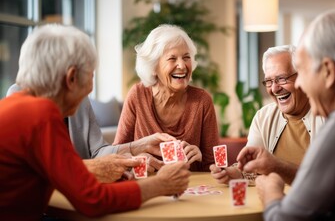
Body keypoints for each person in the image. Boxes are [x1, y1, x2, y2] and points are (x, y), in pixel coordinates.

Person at [0, 24, 190, 220]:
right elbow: (93, 200)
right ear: (72, 78)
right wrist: (161, 184)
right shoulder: (39, 113)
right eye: (91, 75)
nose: (90, 89)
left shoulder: (16, 105)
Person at [238, 9, 335, 220]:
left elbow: (286, 219)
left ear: (328, 71)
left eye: (303, 71)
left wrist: (271, 192)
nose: (300, 84)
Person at [7, 84, 174, 182]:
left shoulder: (80, 96)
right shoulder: (19, 94)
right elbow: (37, 167)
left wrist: (139, 146)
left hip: (80, 195)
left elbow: (97, 151)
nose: (88, 86)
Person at [210, 45, 325, 185]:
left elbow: (326, 178)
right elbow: (252, 168)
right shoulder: (262, 117)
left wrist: (277, 166)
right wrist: (236, 173)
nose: (275, 88)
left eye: (282, 78)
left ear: (301, 76)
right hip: (270, 201)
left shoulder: (327, 114)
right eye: (269, 81)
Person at [113, 24, 219, 172]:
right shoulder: (137, 95)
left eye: (186, 57)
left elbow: (216, 166)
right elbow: (116, 156)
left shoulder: (202, 101)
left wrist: (200, 157)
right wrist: (138, 160)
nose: (182, 65)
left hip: (188, 186)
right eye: (172, 58)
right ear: (154, 67)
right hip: (148, 188)